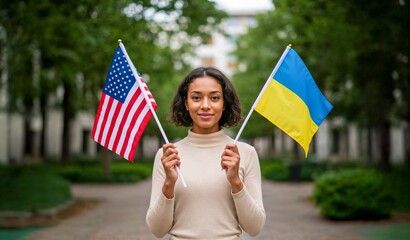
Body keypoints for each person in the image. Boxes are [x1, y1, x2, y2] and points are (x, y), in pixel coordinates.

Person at [146, 67, 265, 239]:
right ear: (186, 103)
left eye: (215, 98)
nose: (205, 106)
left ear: (224, 103)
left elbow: (254, 228)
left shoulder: (245, 153)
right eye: (196, 98)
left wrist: (236, 182)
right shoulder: (168, 155)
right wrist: (169, 184)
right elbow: (157, 230)